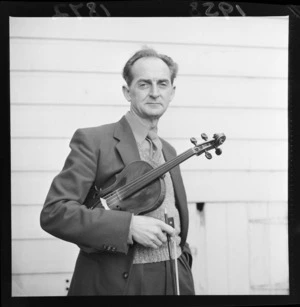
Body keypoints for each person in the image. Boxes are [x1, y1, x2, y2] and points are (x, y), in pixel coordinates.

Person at [40, 47, 195, 296]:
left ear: (172, 92)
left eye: (162, 84)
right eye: (144, 84)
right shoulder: (94, 140)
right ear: (127, 92)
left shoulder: (169, 149)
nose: (155, 93)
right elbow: (55, 213)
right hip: (121, 283)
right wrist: (128, 227)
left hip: (175, 278)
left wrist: (183, 264)